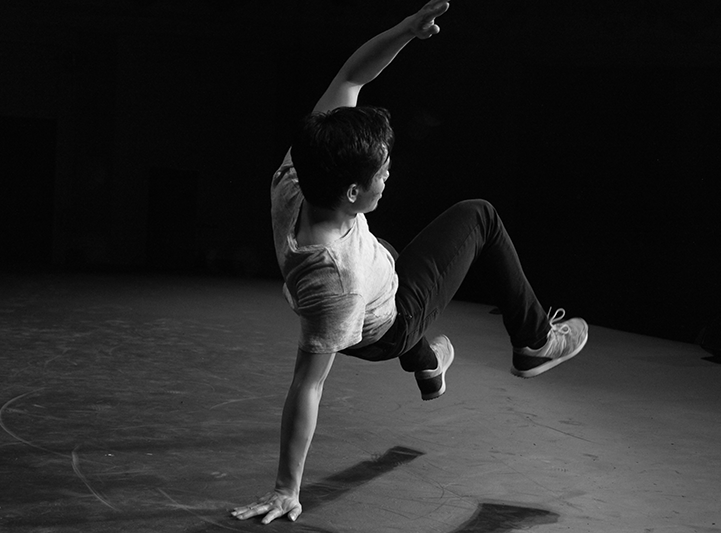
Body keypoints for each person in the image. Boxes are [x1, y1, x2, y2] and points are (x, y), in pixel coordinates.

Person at [231, 0, 588, 525]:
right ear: (353, 192)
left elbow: (351, 76)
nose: (388, 175)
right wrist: (287, 488)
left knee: (392, 257)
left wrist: (405, 31)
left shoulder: (297, 174)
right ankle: (533, 343)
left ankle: (427, 364)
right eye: (381, 172)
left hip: (373, 280)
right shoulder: (338, 281)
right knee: (479, 216)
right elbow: (307, 385)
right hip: (385, 326)